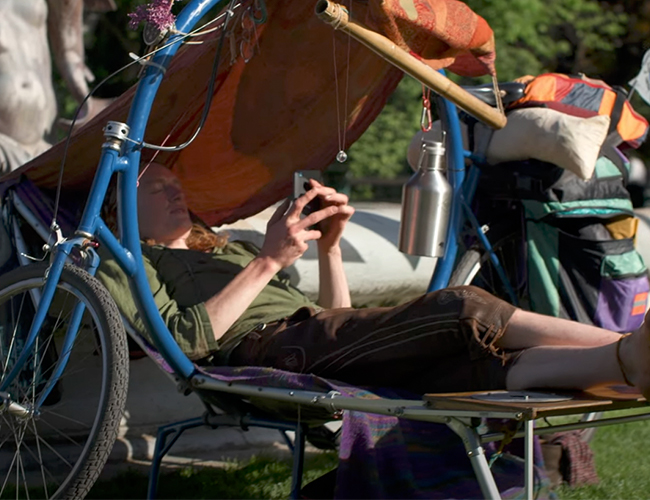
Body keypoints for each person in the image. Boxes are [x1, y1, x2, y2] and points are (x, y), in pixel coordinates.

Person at [97, 163, 650, 398]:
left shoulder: (228, 248)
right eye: (153, 185)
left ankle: (628, 364)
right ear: (120, 209)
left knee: (477, 369)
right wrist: (267, 263)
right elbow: (183, 344)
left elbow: (336, 322)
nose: (174, 190)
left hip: (307, 340)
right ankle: (630, 348)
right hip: (263, 351)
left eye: (174, 182)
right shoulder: (129, 261)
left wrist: (331, 249)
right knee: (460, 308)